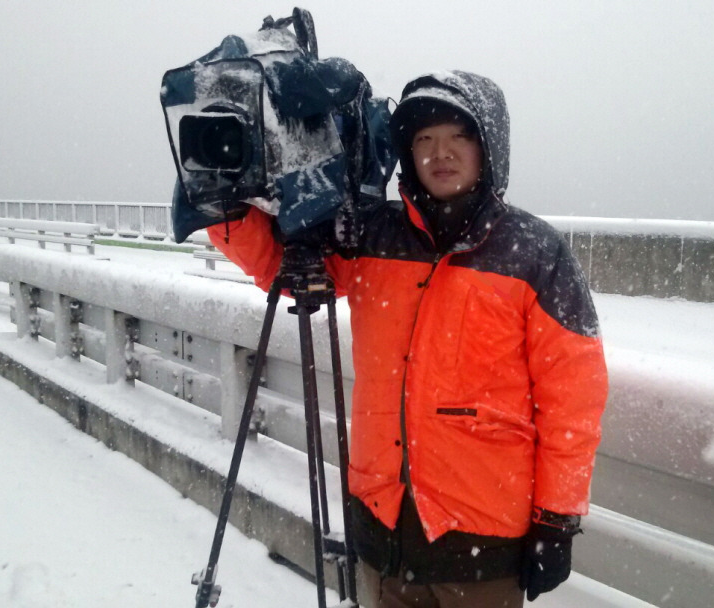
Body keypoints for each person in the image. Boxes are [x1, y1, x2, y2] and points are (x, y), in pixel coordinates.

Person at [207, 70, 608, 607]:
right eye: (423, 140)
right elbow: (284, 266)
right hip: (381, 531)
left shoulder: (535, 253)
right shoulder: (375, 234)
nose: (440, 152)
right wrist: (222, 204)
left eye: (458, 137)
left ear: (490, 146)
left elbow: (572, 401)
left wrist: (557, 519)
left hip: (483, 546)